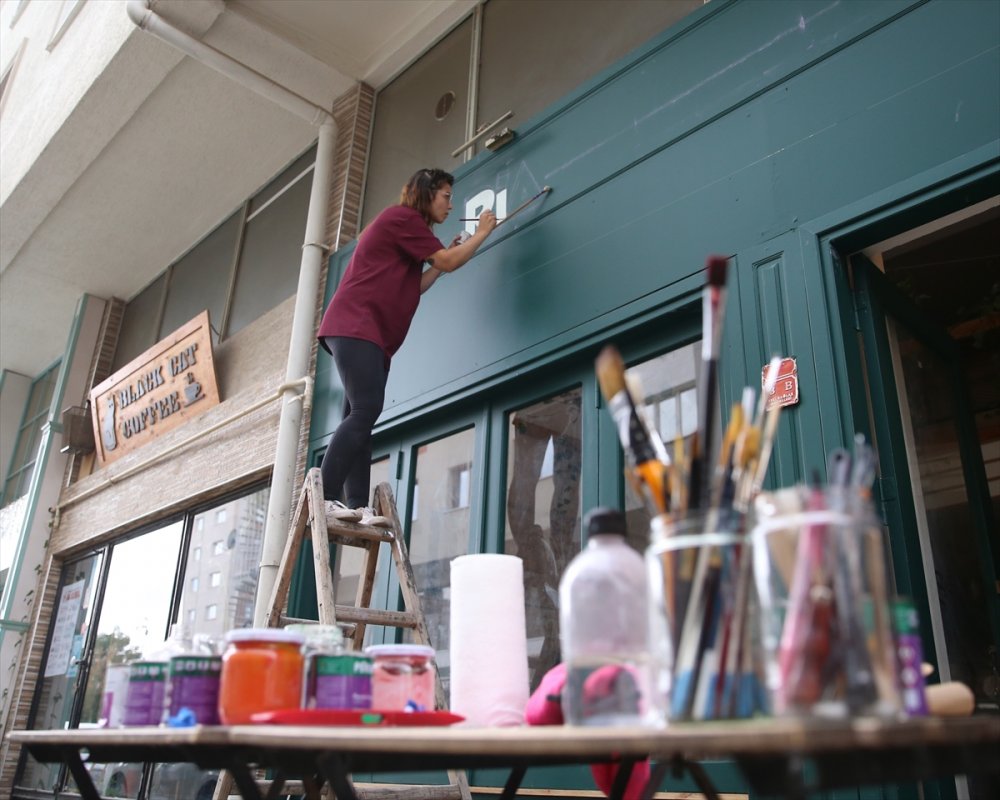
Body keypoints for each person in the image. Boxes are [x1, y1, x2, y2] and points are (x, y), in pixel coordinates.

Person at [317, 168, 497, 524]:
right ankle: (323, 496)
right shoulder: (404, 218)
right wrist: (482, 233)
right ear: (427, 193)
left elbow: (416, 286)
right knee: (365, 410)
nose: (450, 205)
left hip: (366, 333)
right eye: (446, 196)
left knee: (361, 416)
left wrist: (442, 261)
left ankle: (357, 506)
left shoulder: (408, 230)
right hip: (357, 326)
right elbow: (448, 261)